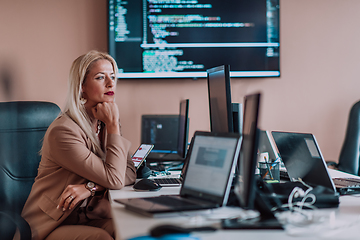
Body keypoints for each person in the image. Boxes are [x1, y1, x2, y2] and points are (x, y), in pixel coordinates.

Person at [15, 50, 136, 240]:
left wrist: (91, 187)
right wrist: (114, 125)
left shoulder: (105, 122)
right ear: (81, 86)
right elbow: (115, 180)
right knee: (101, 238)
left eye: (112, 76)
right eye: (100, 77)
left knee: (126, 229)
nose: (111, 83)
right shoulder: (63, 131)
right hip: (49, 225)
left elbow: (128, 173)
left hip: (81, 217)